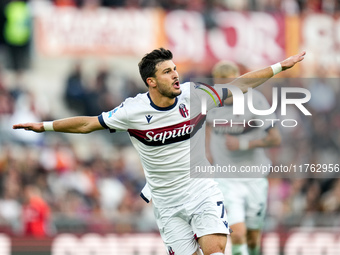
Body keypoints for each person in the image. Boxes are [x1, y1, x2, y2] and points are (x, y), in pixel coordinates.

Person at [13, 48, 305, 255]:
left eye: (175, 69)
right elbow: (89, 124)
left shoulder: (196, 95)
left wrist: (280, 67)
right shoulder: (132, 111)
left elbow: (239, 85)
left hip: (201, 191)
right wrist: (46, 126)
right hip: (166, 204)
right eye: (167, 72)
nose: (176, 75)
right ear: (151, 81)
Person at [206, 60, 282, 255]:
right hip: (226, 178)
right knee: (238, 234)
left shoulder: (255, 101)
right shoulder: (208, 102)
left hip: (255, 176)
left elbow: (275, 139)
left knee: (253, 237)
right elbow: (206, 126)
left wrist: (244, 144)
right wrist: (206, 153)